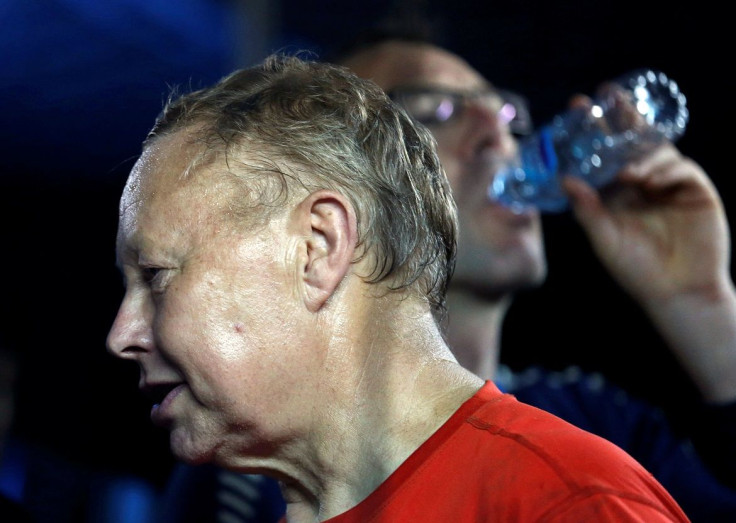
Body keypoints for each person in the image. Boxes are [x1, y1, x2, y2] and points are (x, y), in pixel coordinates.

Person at [156, 31, 736, 522]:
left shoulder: (595, 424)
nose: (499, 136)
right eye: (435, 110)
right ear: (328, 216)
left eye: (507, 113)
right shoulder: (255, 472)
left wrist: (702, 306)